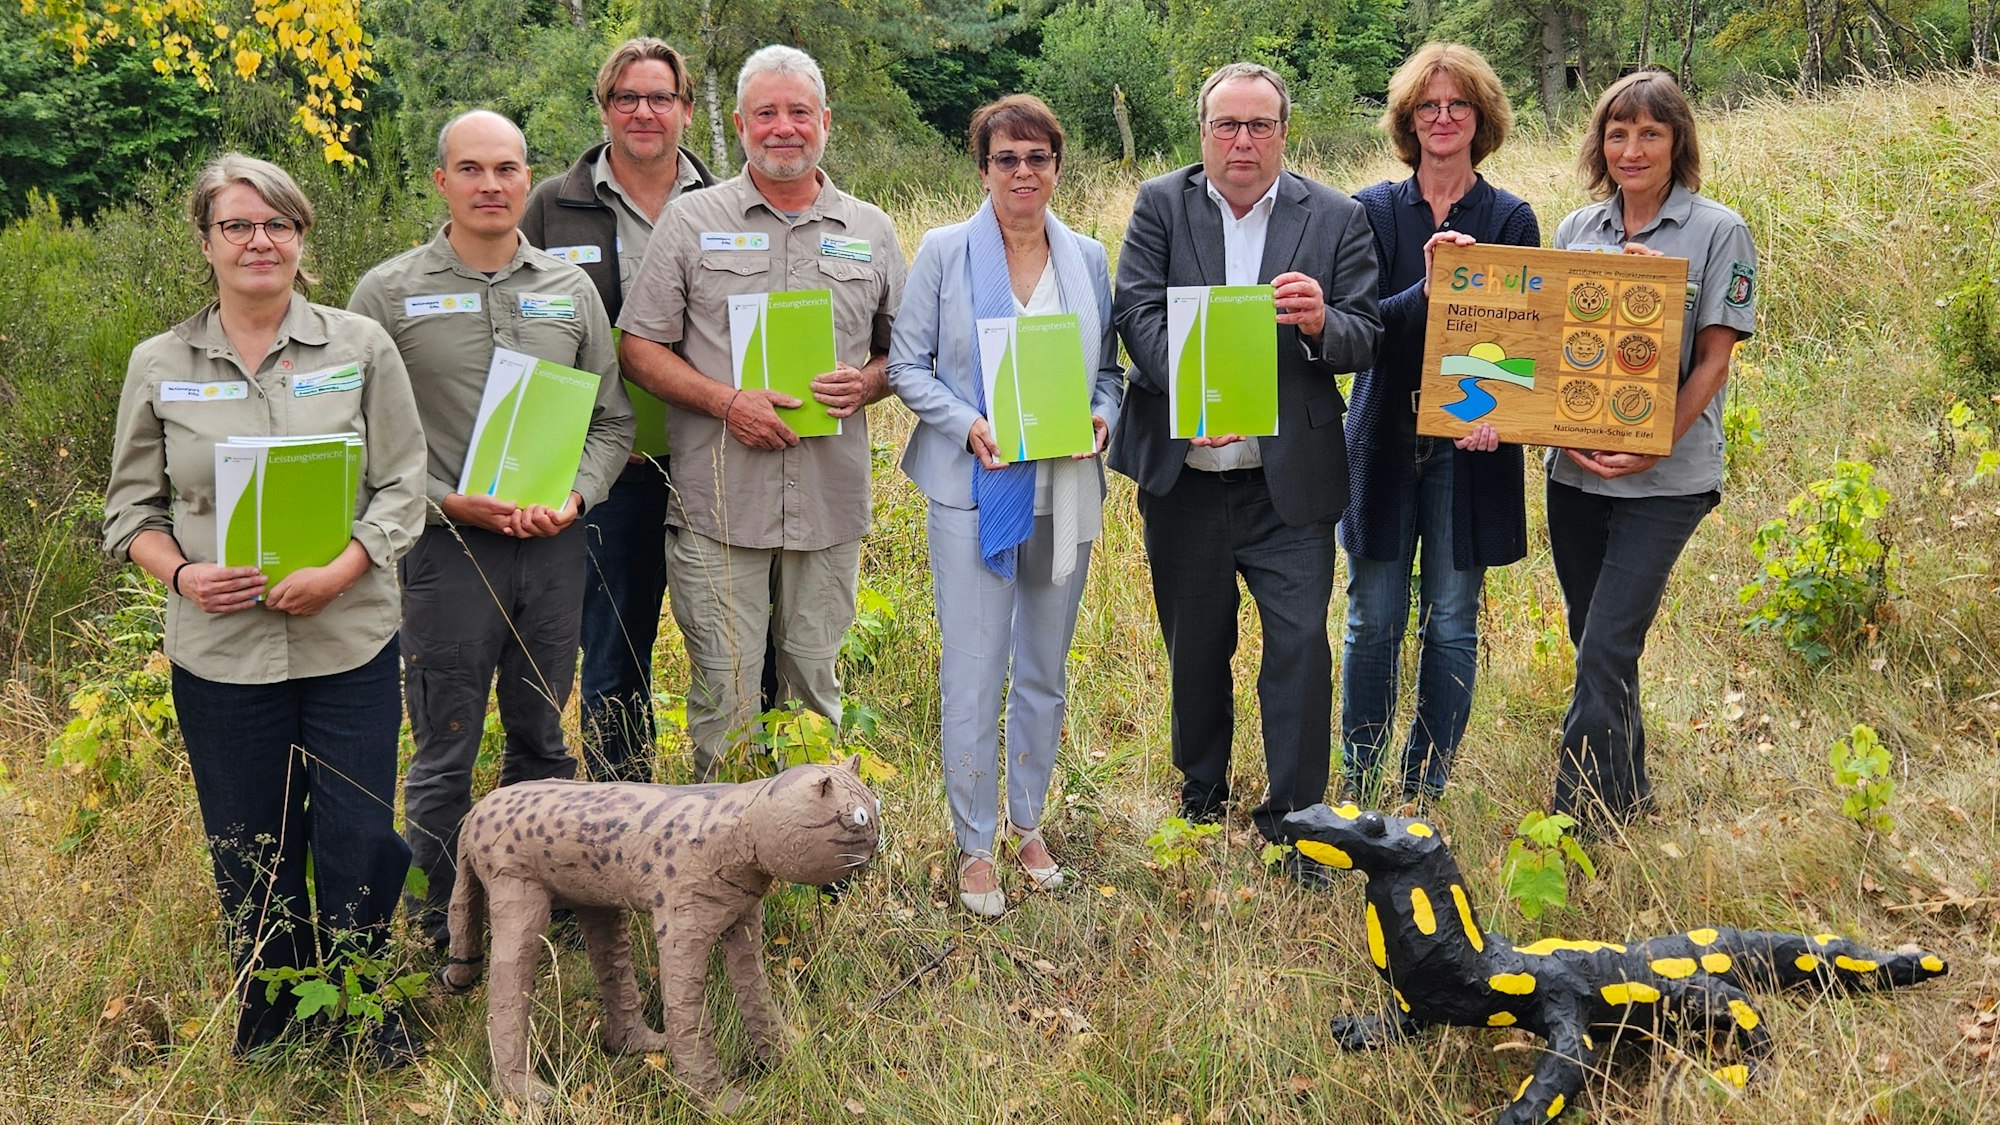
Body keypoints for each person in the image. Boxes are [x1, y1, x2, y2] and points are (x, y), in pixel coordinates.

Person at [103, 154, 427, 1059]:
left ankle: (361, 1008)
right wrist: (180, 575)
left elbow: (405, 483)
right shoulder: (159, 363)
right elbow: (131, 510)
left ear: (301, 238)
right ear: (205, 242)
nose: (259, 241)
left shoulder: (360, 347)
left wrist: (348, 564)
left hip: (349, 637)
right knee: (251, 841)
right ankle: (276, 1016)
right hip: (220, 650)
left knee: (360, 834)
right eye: (237, 226)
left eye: (277, 223)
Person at [348, 110, 634, 946]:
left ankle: (538, 910)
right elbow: (356, 440)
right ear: (440, 180)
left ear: (526, 178)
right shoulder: (387, 293)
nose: (490, 185)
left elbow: (612, 423)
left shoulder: (569, 288)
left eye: (507, 169)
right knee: (444, 748)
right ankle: (445, 920)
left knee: (543, 737)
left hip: (551, 551)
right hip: (445, 556)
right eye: (470, 169)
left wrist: (576, 499)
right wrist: (446, 501)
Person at [1109, 62, 1382, 884]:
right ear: (1203, 133)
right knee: (1196, 642)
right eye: (1227, 125)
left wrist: (1319, 322)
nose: (1242, 140)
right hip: (1187, 472)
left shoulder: (1336, 215)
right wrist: (1193, 390)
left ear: (1283, 134)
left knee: (1299, 646)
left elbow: (1366, 334)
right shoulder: (1161, 202)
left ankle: (1297, 821)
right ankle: (1200, 793)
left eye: (1259, 125)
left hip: (1285, 479)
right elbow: (1136, 311)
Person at [619, 45, 906, 781]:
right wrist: (726, 402)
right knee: (726, 699)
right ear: (741, 124)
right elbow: (639, 347)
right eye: (768, 114)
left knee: (815, 689)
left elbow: (905, 351)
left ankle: (812, 858)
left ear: (825, 123)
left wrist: (869, 383)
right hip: (722, 505)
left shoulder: (870, 229)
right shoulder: (690, 222)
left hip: (827, 505)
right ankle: (726, 879)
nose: (785, 128)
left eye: (799, 113)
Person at [887, 95, 1123, 918]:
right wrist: (968, 423)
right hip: (972, 486)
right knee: (975, 668)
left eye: (1038, 157)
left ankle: (1029, 819)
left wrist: (1103, 416)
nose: (1023, 173)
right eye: (1006, 159)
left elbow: (1110, 374)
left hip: (1064, 482)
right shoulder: (945, 253)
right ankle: (973, 841)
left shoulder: (1088, 256)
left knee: (1044, 670)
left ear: (1058, 165)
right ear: (982, 168)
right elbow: (906, 367)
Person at [1545, 70, 1756, 828]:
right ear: (1601, 144)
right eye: (1618, 132)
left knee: (1606, 643)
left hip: (1667, 482)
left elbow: (1713, 361)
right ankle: (1631, 798)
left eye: (1651, 133)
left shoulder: (1717, 230)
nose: (1632, 149)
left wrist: (1654, 444)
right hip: (1573, 476)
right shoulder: (1576, 231)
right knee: (1595, 643)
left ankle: (1576, 818)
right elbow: (1556, 354)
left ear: (1678, 143)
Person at [1340, 44, 1540, 805]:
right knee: (1373, 620)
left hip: (1471, 451)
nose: (1444, 118)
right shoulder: (1370, 212)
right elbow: (1357, 334)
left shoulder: (1509, 218)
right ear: (1409, 120)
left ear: (1480, 118)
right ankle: (1359, 786)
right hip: (1383, 443)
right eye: (1429, 106)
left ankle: (1423, 789)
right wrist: (1431, 286)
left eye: (1458, 106)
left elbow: (1522, 345)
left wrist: (1502, 416)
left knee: (1452, 624)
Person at [520, 38, 718, 783]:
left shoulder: (725, 200)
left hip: (709, 461)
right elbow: (518, 325)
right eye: (626, 98)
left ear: (687, 111)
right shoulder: (552, 205)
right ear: (604, 108)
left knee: (731, 648)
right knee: (613, 656)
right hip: (608, 473)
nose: (644, 112)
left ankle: (736, 817)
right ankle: (621, 826)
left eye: (660, 97)